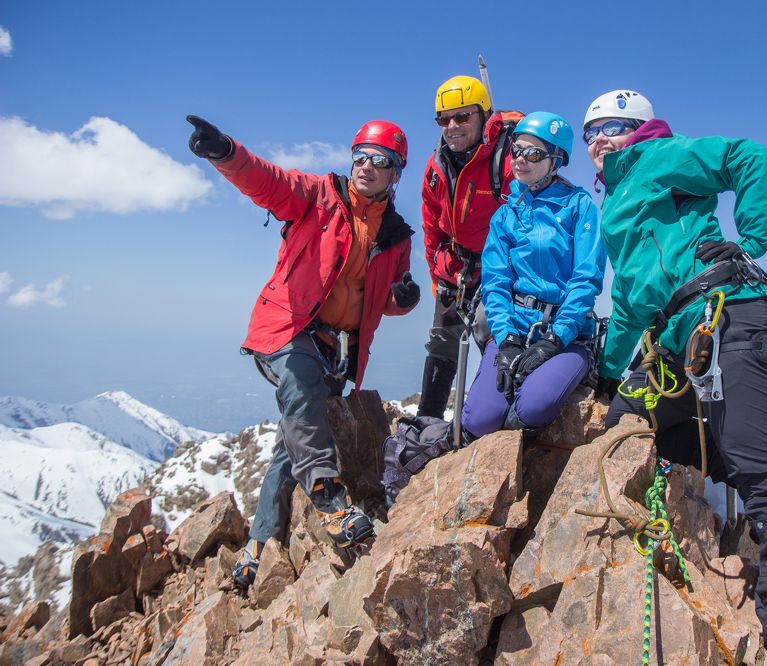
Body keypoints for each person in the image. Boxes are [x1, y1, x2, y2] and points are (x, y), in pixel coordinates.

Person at [583, 90, 767, 664]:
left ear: (638, 128)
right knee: (628, 420)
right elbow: (629, 301)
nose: (598, 139)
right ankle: (735, 452)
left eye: (612, 126)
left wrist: (750, 242)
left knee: (765, 475)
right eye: (590, 131)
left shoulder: (658, 157)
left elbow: (751, 157)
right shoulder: (618, 196)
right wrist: (607, 374)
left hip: (729, 318)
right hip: (679, 338)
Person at [185, 115, 420, 591]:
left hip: (336, 348)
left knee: (290, 443)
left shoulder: (396, 235)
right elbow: (267, 181)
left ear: (395, 173)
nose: (366, 166)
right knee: (301, 385)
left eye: (379, 161)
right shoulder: (318, 196)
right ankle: (329, 499)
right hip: (289, 328)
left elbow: (380, 298)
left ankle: (258, 546)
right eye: (360, 156)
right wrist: (226, 152)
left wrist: (404, 299)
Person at [460, 112, 605, 437]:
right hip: (514, 329)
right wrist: (507, 339)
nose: (520, 159)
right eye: (516, 150)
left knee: (533, 407)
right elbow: (495, 283)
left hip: (567, 337)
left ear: (556, 160)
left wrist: (556, 339)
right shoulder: (506, 215)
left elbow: (586, 280)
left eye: (533, 153)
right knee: (480, 420)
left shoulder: (579, 206)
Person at [418, 75, 522, 418]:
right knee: (441, 345)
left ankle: (491, 418)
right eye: (444, 119)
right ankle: (427, 421)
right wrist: (436, 272)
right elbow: (431, 223)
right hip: (456, 269)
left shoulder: (506, 159)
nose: (452, 126)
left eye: (463, 116)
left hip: (500, 269)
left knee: (493, 338)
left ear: (484, 116)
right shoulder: (437, 166)